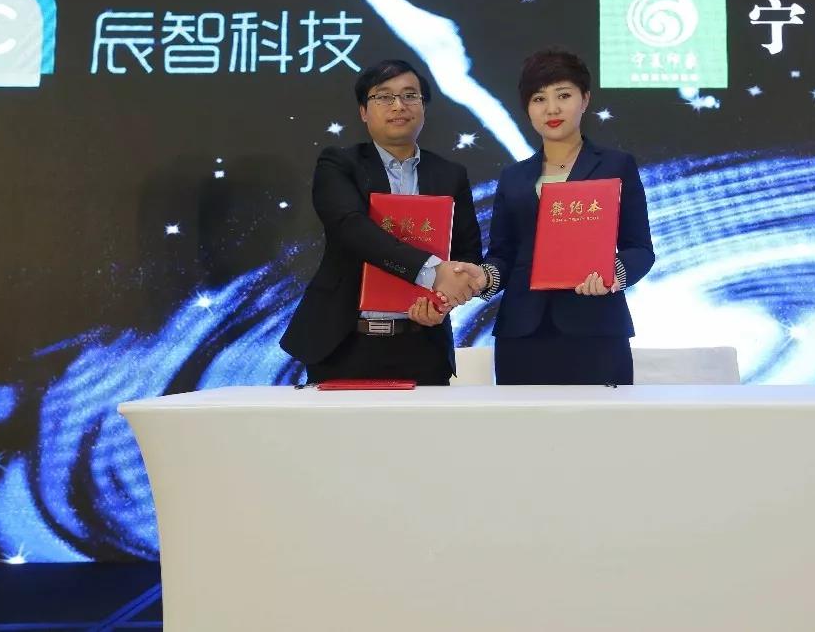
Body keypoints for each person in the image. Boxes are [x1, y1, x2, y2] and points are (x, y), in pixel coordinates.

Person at [279, 59, 483, 385]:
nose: (398, 105)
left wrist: (440, 302)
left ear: (424, 107)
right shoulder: (338, 164)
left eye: (410, 95)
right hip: (343, 343)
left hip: (423, 345)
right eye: (384, 96)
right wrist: (433, 272)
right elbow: (351, 228)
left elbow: (466, 254)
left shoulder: (450, 174)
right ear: (364, 111)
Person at [471, 47, 655, 384]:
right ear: (527, 108)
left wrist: (612, 273)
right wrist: (484, 278)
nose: (552, 109)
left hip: (597, 330)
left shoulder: (616, 165)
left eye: (563, 95)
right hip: (522, 335)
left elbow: (640, 249)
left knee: (602, 420)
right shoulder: (513, 177)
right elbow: (502, 255)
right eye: (539, 99)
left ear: (585, 99)